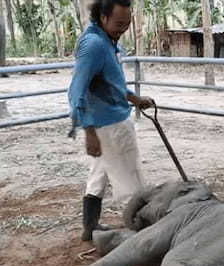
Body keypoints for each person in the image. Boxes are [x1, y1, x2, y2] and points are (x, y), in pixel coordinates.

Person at [67, 0, 155, 242]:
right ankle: (143, 232)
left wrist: (133, 98)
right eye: (119, 24)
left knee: (98, 175)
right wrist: (89, 131)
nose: (123, 29)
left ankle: (90, 227)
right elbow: (76, 92)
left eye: (127, 24)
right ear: (103, 17)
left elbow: (109, 81)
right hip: (109, 125)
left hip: (109, 119)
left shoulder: (106, 40)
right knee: (132, 179)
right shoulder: (94, 45)